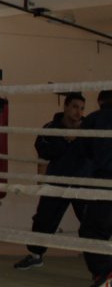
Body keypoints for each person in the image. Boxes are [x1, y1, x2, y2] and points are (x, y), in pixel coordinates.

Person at [14, 92, 89, 270]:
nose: (79, 112)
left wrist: (80, 136)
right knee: (43, 219)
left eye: (82, 108)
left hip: (82, 183)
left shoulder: (89, 128)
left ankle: (102, 259)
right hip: (57, 181)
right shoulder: (51, 128)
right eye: (75, 107)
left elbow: (97, 152)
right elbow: (43, 151)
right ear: (65, 106)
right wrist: (64, 140)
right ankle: (35, 255)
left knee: (93, 221)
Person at [77, 90, 112, 287]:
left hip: (104, 181)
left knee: (92, 230)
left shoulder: (95, 119)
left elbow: (84, 153)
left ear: (99, 102)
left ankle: (106, 272)